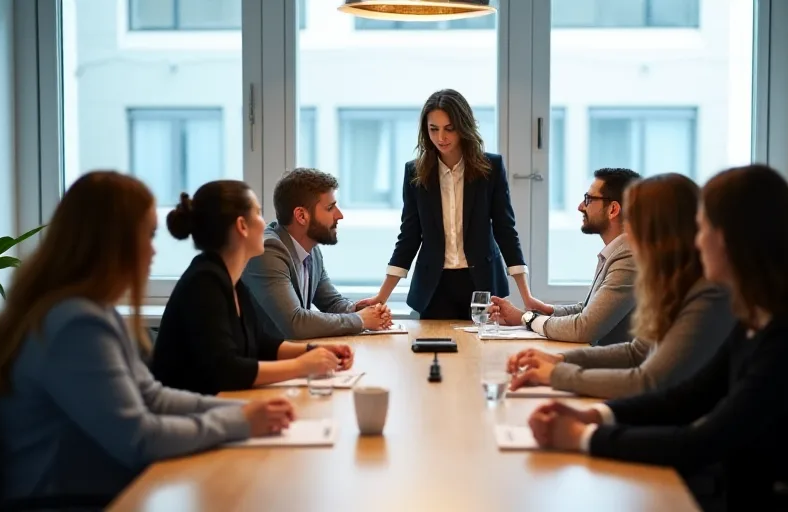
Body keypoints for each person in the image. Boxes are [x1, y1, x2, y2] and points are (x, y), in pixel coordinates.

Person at [526, 165, 788, 509]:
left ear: (733, 241)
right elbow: (687, 398)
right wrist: (598, 416)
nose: (697, 240)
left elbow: (702, 440)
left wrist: (583, 438)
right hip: (751, 484)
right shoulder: (756, 319)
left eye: (703, 228)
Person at [0, 171, 294, 501]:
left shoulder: (92, 311)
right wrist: (240, 423)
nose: (153, 251)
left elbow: (153, 396)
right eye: (147, 235)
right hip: (63, 498)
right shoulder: (76, 325)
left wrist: (238, 414)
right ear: (112, 242)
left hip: (95, 481)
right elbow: (139, 439)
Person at [505, 173, 735, 398]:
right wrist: (561, 360)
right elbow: (637, 353)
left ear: (660, 230)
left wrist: (557, 374)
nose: (627, 232)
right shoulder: (673, 283)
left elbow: (648, 381)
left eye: (634, 219)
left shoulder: (706, 294)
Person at [151, 180, 354, 396]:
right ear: (242, 226)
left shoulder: (230, 280)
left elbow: (261, 343)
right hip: (186, 417)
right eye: (258, 213)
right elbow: (226, 370)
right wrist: (302, 366)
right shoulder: (204, 284)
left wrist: (313, 351)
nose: (264, 222)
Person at [355, 88, 539, 319]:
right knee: (432, 352)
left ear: (463, 127)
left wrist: (526, 296)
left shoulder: (490, 168)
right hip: (434, 287)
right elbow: (409, 237)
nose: (441, 137)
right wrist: (382, 296)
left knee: (483, 352)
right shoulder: (415, 173)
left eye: (449, 129)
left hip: (481, 285)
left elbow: (505, 231)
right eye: (434, 129)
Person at [489, 168, 640, 345]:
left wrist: (528, 319)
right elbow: (587, 310)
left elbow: (585, 328)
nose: (580, 206)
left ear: (613, 209)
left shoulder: (629, 259)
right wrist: (545, 311)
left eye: (589, 199)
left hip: (615, 369)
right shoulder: (618, 251)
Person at [242, 168, 392, 340]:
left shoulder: (310, 248)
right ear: (301, 215)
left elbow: (332, 303)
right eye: (330, 208)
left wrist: (360, 310)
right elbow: (295, 323)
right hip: (262, 362)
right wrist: (360, 320)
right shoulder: (268, 251)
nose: (340, 215)